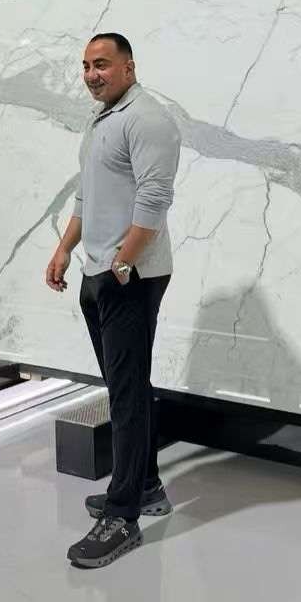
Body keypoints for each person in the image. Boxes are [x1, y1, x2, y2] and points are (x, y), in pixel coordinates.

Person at [45, 31, 181, 569]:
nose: (91, 75)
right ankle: (145, 485)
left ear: (129, 66)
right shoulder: (101, 119)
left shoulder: (147, 119)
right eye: (85, 66)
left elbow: (155, 196)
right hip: (100, 269)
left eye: (101, 64)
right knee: (127, 388)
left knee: (125, 396)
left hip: (131, 276)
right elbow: (88, 193)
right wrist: (64, 249)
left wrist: (124, 261)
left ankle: (123, 518)